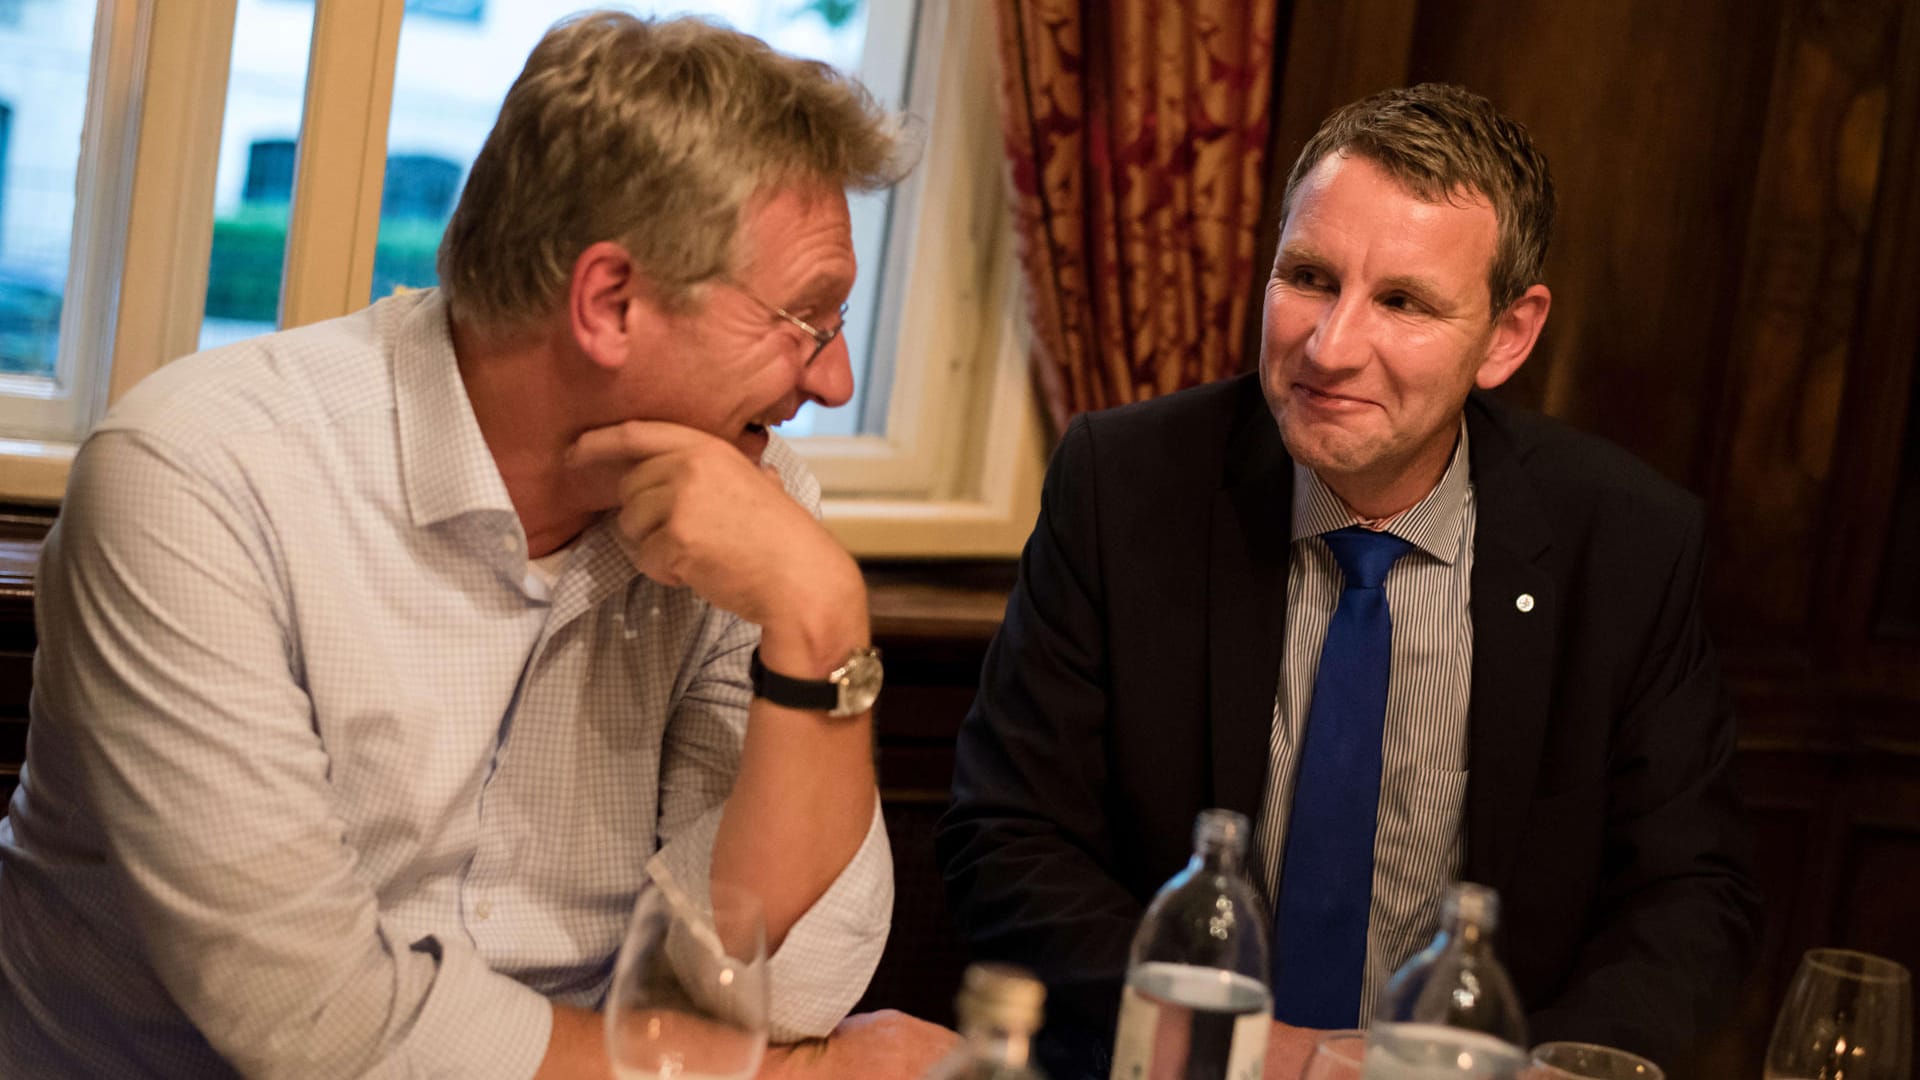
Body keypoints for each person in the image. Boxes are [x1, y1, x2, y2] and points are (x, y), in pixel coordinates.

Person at [0, 12, 953, 1079]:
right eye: (810, 320)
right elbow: (323, 1029)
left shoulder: (751, 514)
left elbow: (786, 982)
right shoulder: (201, 480)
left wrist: (821, 616)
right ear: (611, 301)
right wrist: (796, 1078)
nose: (834, 382)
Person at [937, 83, 1760, 1079]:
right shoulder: (1128, 484)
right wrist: (1253, 1050)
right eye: (1310, 278)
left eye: (1404, 302)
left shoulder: (1625, 542)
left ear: (1508, 335)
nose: (1330, 348)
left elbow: (1688, 897)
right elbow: (1008, 842)